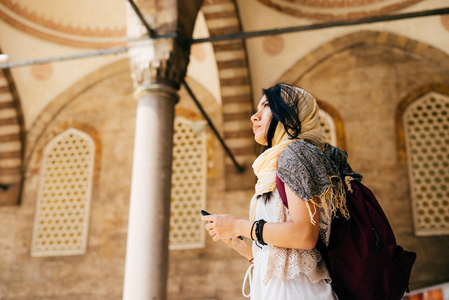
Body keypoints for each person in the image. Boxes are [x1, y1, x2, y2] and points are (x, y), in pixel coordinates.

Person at [202, 83, 360, 299]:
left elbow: (305, 235)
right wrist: (246, 250)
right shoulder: (273, 166)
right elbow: (289, 259)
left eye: (266, 106)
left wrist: (238, 225)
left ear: (291, 114)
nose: (254, 117)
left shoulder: (295, 155)